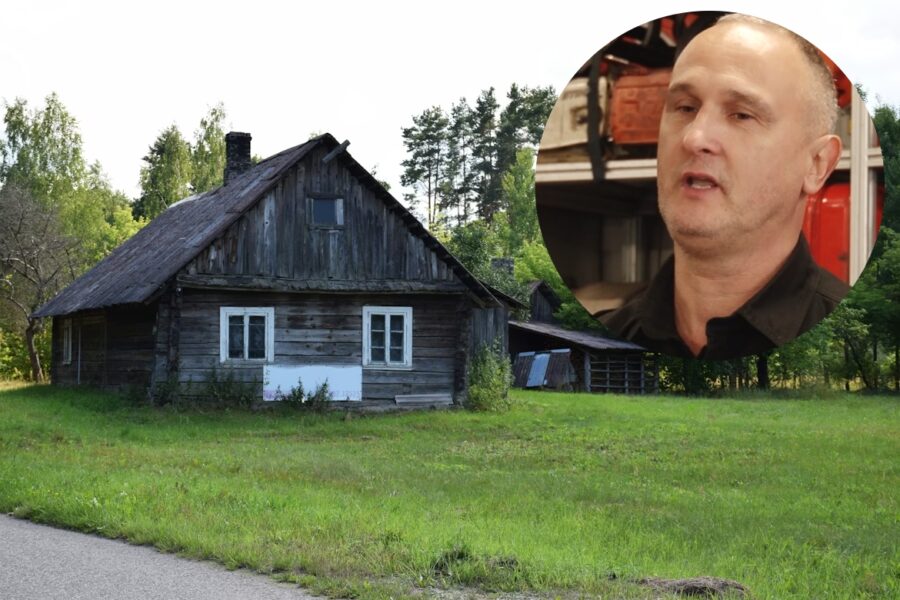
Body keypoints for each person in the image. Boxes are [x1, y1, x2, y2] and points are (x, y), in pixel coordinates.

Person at [601, 13, 849, 360]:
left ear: (817, 164)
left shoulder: (860, 351)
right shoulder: (599, 342)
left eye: (741, 115)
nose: (695, 137)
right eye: (685, 107)